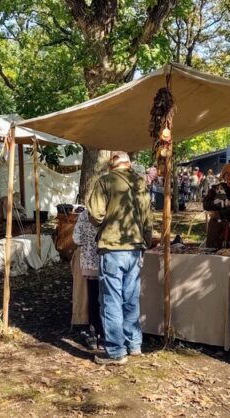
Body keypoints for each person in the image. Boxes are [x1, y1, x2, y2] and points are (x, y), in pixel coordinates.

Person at [88, 151, 153, 365]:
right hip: (135, 248)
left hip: (113, 247)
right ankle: (134, 344)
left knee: (111, 300)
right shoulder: (141, 183)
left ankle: (116, 352)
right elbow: (148, 220)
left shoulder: (105, 181)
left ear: (111, 165)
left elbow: (95, 215)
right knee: (131, 298)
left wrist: (103, 220)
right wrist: (145, 242)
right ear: (129, 164)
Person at [72, 206, 103, 350]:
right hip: (107, 260)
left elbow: (76, 238)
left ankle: (94, 332)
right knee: (109, 298)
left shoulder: (84, 215)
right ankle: (105, 334)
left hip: (90, 263)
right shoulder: (111, 212)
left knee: (93, 298)